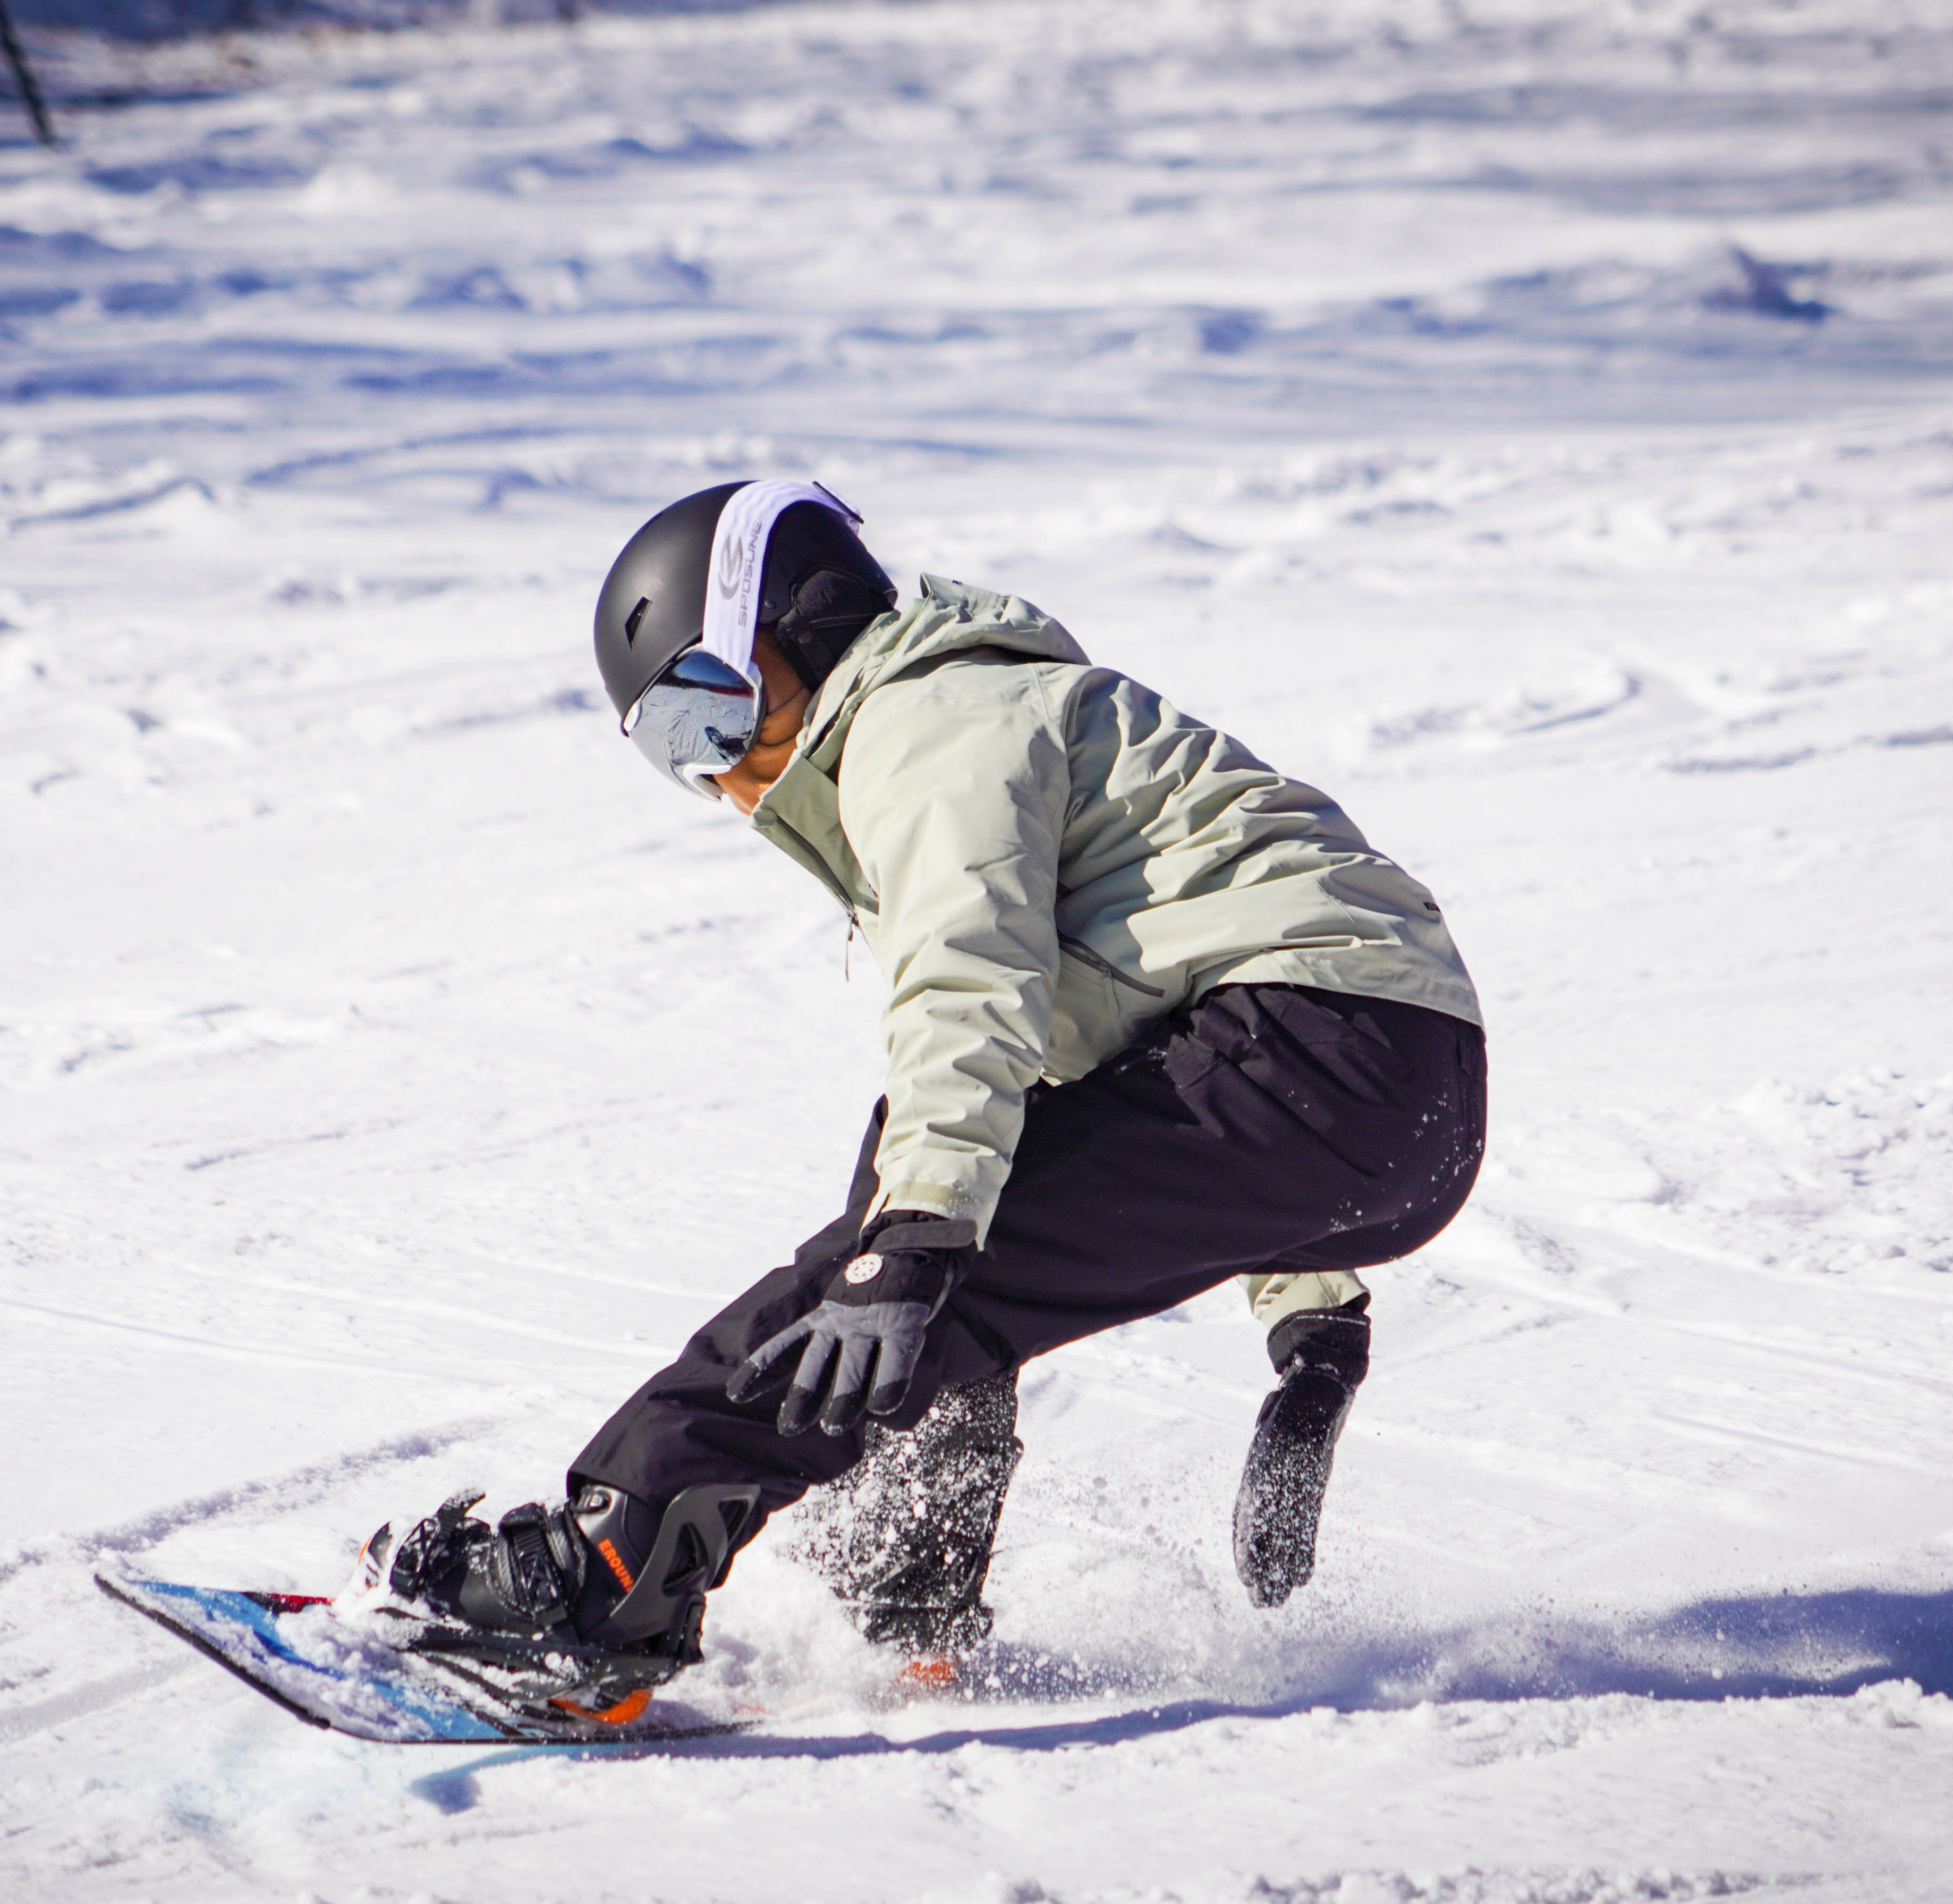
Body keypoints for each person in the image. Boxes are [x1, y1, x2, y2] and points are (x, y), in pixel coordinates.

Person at [354, 480, 1485, 1721]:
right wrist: (1313, 1328)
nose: (719, 775)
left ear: (800, 627)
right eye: (674, 750)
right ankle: (909, 1607)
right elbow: (1182, 992)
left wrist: (909, 1242)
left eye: (708, 709)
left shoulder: (923, 721)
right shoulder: (985, 713)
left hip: (1323, 1049)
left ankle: (601, 1579)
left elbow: (966, 977)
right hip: (1394, 1092)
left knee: (898, 1255)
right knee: (914, 1180)